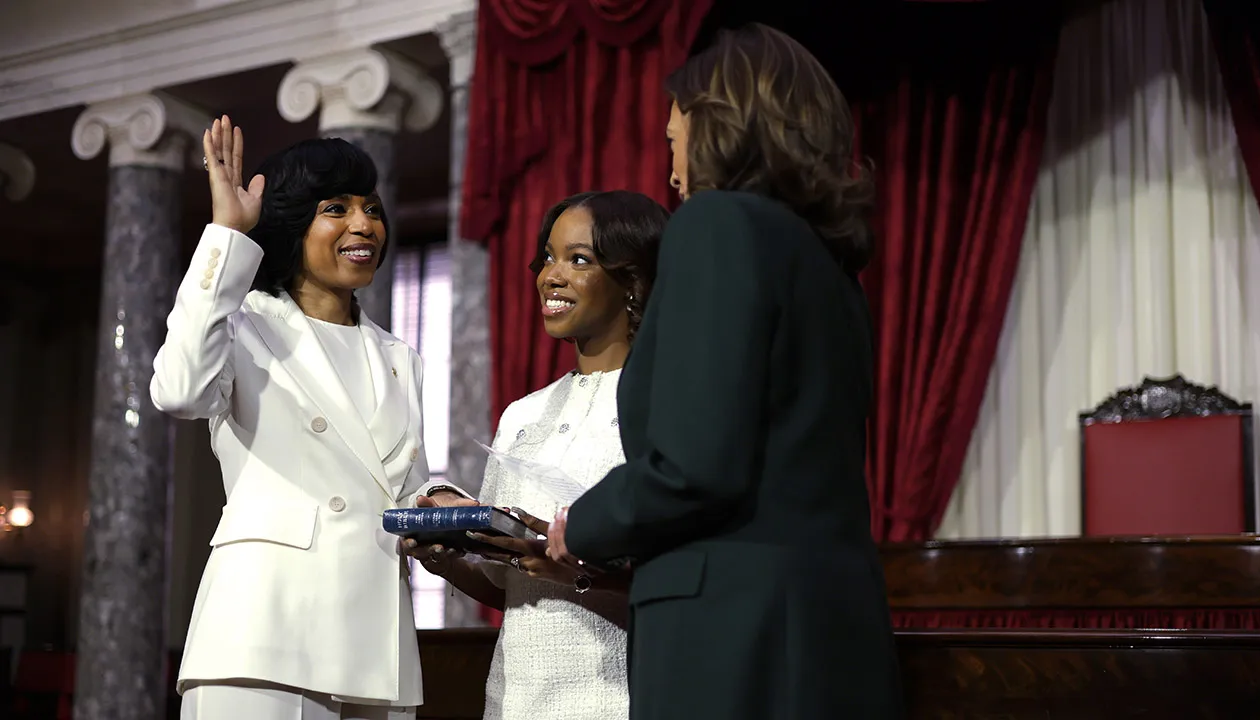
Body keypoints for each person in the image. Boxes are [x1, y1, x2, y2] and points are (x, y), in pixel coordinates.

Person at [546, 24, 904, 720]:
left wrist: (580, 525)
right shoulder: (833, 271)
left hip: (736, 634)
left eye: (674, 132)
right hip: (834, 625)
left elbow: (695, 465)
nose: (670, 157)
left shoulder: (716, 224)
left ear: (717, 122)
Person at [151, 116, 470, 720]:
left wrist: (437, 500)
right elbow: (178, 391)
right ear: (294, 224)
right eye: (336, 207)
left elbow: (398, 486)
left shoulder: (402, 359)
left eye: (371, 208)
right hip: (263, 634)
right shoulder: (244, 325)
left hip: (374, 642)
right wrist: (225, 234)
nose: (363, 224)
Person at [406, 190, 668, 720]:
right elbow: (509, 585)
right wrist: (442, 551)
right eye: (548, 257)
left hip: (621, 697)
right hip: (516, 699)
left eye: (579, 259)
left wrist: (570, 570)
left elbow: (675, 588)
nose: (551, 275)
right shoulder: (522, 415)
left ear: (634, 281)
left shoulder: (670, 403)